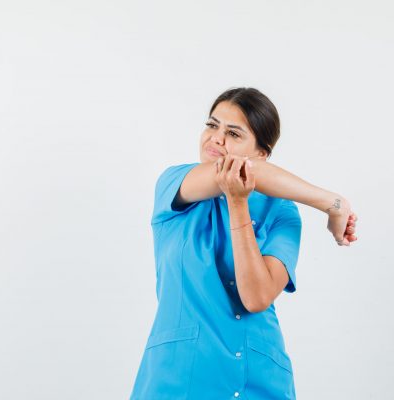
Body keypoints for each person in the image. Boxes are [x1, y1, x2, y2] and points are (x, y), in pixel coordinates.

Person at [129, 87, 358, 400]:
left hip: (259, 380)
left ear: (261, 153)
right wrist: (331, 204)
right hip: (179, 376)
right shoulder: (176, 185)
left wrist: (238, 204)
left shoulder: (282, 212)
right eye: (212, 125)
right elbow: (239, 172)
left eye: (233, 133)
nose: (217, 139)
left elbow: (256, 297)